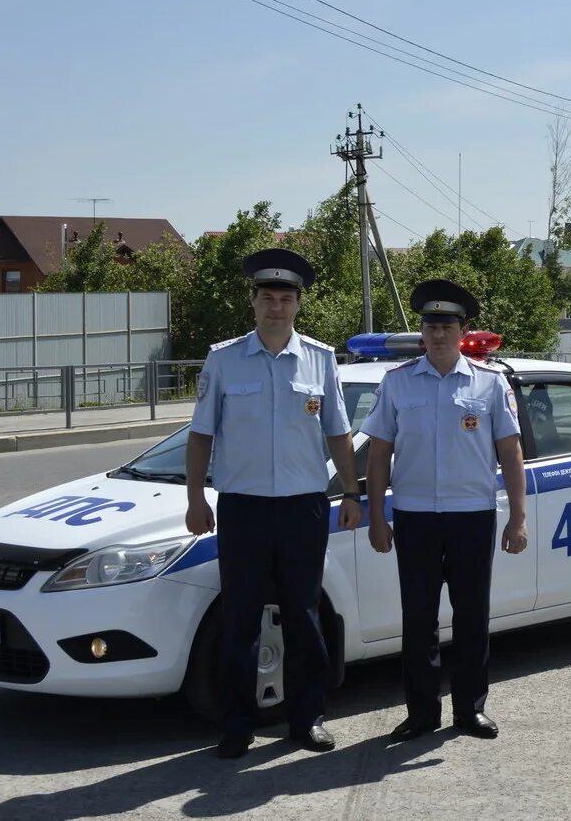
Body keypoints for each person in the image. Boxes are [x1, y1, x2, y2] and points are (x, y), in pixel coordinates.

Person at [184, 248, 362, 760]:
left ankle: (308, 720)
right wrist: (197, 499)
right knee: (240, 619)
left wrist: (349, 492)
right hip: (242, 508)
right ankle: (237, 725)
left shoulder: (320, 360)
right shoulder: (223, 360)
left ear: (298, 305)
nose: (276, 307)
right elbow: (200, 436)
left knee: (304, 618)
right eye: (268, 297)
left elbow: (338, 435)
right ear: (253, 302)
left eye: (286, 298)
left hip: (304, 509)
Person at [360, 278, 528, 741]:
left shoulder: (490, 384)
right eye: (430, 326)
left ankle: (470, 709)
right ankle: (421, 713)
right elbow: (378, 456)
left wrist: (518, 516)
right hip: (413, 517)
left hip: (471, 515)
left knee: (472, 616)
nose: (438, 334)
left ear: (463, 330)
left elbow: (511, 452)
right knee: (418, 620)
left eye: (447, 325)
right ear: (422, 332)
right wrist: (377, 516)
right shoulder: (397, 384)